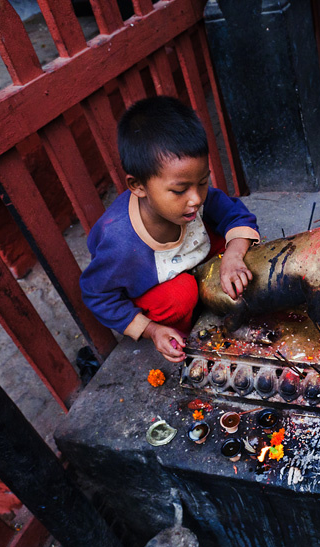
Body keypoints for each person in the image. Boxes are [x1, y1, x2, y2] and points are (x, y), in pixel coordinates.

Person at [80, 96, 259, 363]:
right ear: (138, 185)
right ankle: (196, 324)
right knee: (181, 295)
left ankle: (218, 286)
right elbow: (97, 294)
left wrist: (233, 257)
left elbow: (237, 215)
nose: (196, 199)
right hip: (161, 286)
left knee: (243, 248)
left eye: (202, 182)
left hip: (197, 254)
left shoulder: (195, 196)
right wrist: (151, 330)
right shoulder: (119, 242)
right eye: (179, 190)